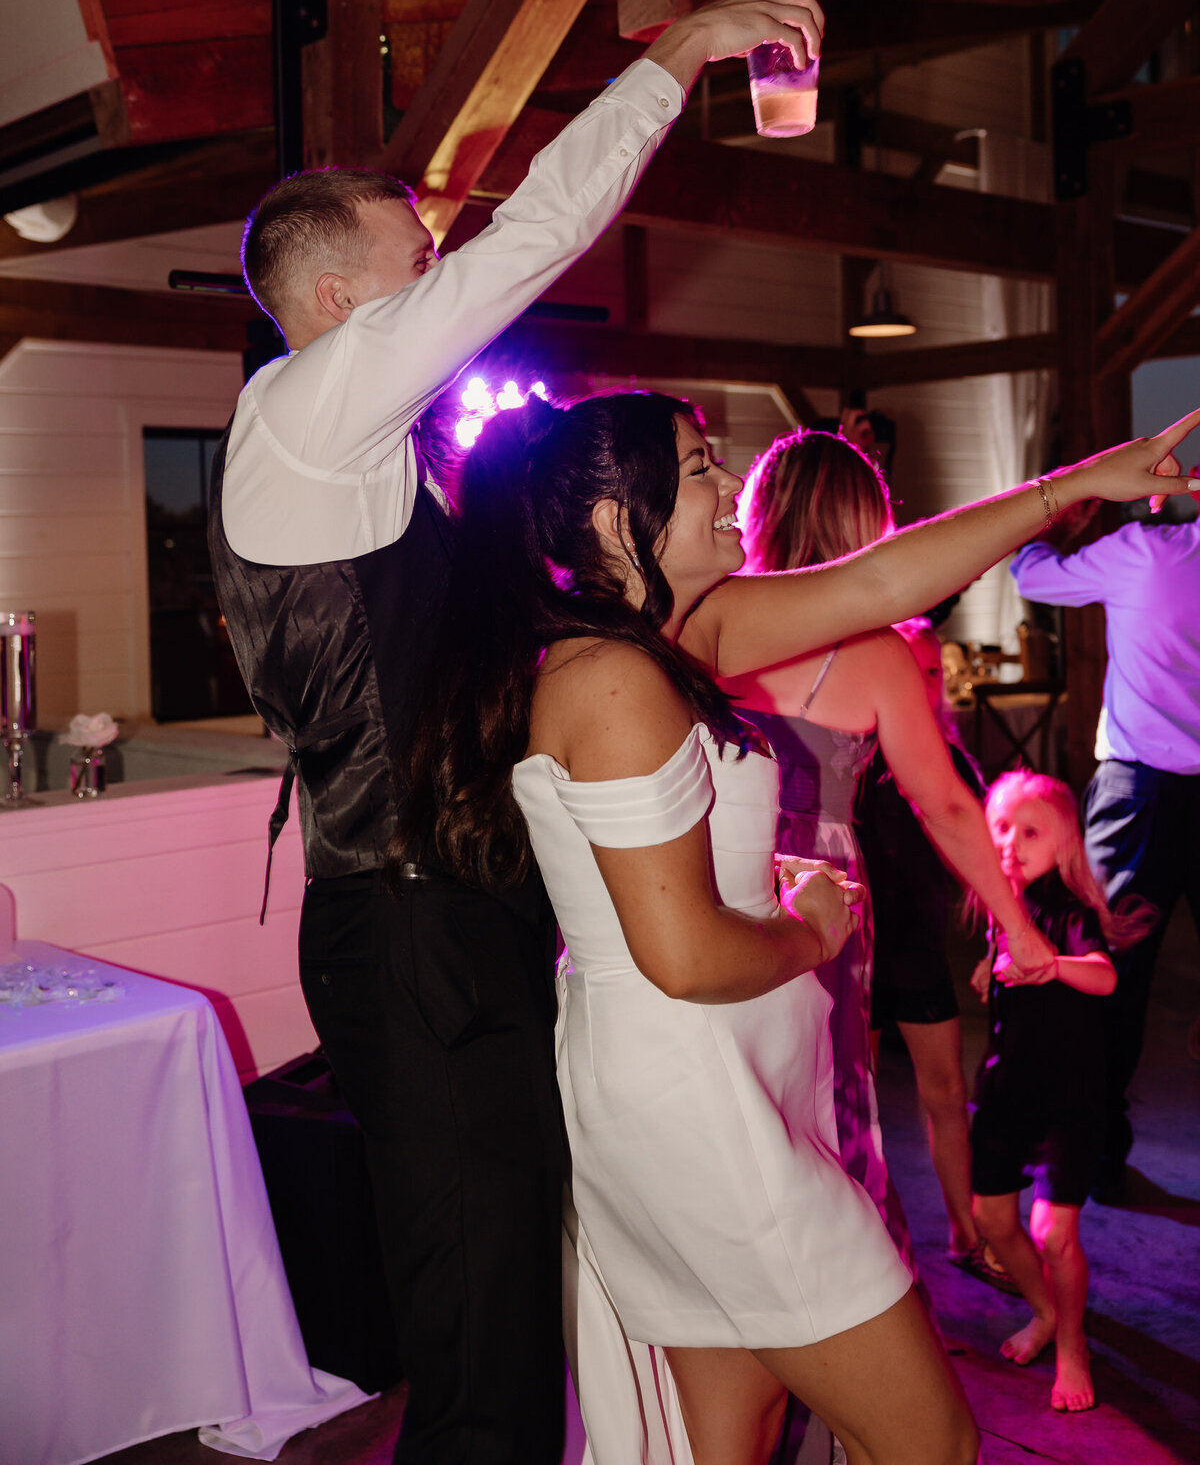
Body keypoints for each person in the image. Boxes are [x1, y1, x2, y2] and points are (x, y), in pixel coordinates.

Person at [206, 0, 827, 1465]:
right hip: (410, 934)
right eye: (419, 256)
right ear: (344, 304)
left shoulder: (366, 459)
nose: (447, 274)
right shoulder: (303, 416)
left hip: (452, 925)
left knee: (507, 1327)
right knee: (481, 1353)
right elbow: (537, 235)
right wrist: (679, 54)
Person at [393, 388, 1198, 1465]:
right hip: (697, 1106)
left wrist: (1073, 488)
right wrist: (814, 930)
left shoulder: (674, 633)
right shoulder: (615, 676)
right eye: (697, 470)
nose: (732, 487)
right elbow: (681, 956)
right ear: (606, 522)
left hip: (723, 1080)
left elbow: (882, 578)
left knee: (736, 1434)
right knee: (928, 1440)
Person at [728, 431, 1053, 1273]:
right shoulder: (874, 654)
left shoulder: (707, 621)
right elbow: (944, 805)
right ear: (863, 528)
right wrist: (1018, 925)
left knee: (738, 1099)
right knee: (825, 1106)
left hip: (715, 876)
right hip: (822, 895)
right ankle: (846, 1311)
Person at [1010, 500, 1200, 1199]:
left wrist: (1059, 526)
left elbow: (1033, 577)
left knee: (1108, 972)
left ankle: (1090, 1154)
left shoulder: (1144, 553)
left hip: (1140, 792)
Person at [968, 772, 1155, 1412]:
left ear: (1065, 842)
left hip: (1069, 1101)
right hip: (1005, 1095)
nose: (1010, 843)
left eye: (1030, 831)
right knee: (991, 1220)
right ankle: (1047, 1311)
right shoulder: (1001, 908)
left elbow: (1102, 978)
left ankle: (1072, 1344)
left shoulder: (1065, 912)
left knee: (1054, 1233)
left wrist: (1048, 963)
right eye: (1000, 828)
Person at [855, 619, 1012, 1288]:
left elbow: (991, 849)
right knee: (852, 1104)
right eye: (909, 669)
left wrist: (1006, 931)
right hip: (850, 952)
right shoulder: (849, 752)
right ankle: (861, 1241)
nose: (922, 684)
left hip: (916, 953)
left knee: (946, 1093)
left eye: (930, 672)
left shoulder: (948, 758)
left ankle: (964, 1231)